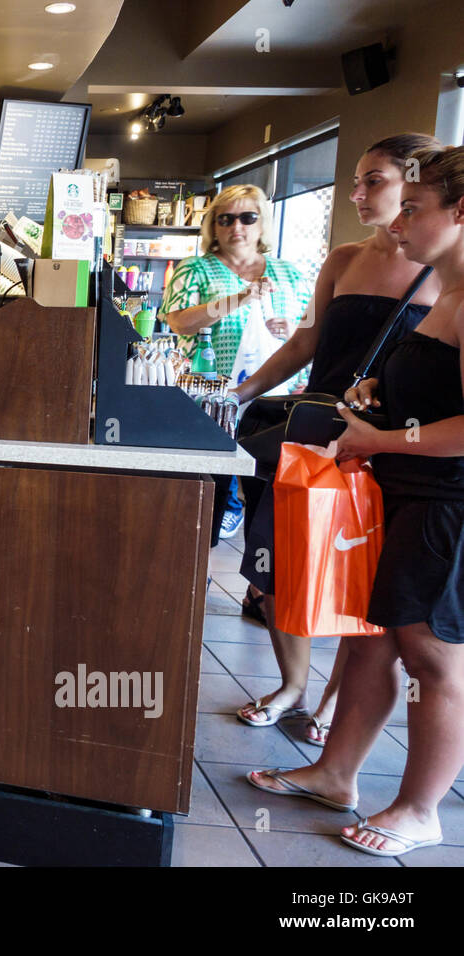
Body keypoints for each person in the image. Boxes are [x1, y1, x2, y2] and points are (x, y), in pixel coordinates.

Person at [247, 143, 464, 858]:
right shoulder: (446, 294)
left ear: (460, 213)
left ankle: (421, 809)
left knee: (432, 661)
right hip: (399, 492)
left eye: (413, 208)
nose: (398, 222)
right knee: (372, 643)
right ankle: (336, 773)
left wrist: (384, 438)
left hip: (443, 503)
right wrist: (380, 391)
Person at [160, 184, 312, 544]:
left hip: (274, 405)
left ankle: (259, 576)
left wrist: (292, 331)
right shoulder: (195, 269)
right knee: (204, 499)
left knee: (269, 501)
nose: (236, 227)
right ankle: (200, 564)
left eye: (247, 217)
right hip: (209, 401)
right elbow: (179, 322)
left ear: (262, 223)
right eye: (225, 219)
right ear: (214, 226)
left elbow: (311, 333)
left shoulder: (291, 274)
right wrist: (239, 298)